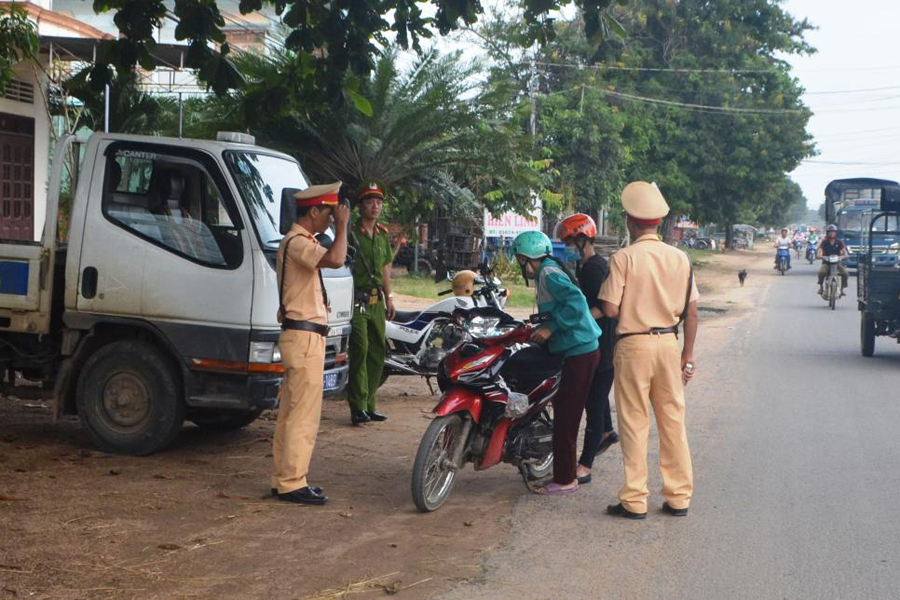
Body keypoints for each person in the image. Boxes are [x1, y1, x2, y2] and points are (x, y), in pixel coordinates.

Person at [599, 181, 699, 519]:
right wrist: (688, 354)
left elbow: (610, 310)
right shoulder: (680, 258)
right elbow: (692, 311)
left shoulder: (623, 258)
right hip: (670, 344)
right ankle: (678, 497)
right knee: (672, 420)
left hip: (634, 344)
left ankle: (635, 500)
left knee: (634, 421)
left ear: (630, 220)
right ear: (658, 221)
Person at [272, 182, 350, 505]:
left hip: (301, 336)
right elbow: (337, 259)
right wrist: (345, 227)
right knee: (303, 414)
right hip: (304, 338)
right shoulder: (299, 243)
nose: (332, 220)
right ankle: (292, 481)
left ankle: (283, 478)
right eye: (329, 214)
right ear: (313, 211)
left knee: (291, 412)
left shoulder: (296, 242)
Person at [511, 230, 600, 495]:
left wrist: (552, 328)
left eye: (519, 259)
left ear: (528, 258)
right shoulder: (546, 271)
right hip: (573, 348)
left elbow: (576, 302)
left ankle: (565, 478)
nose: (519, 264)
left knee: (567, 416)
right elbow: (560, 306)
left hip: (580, 350)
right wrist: (541, 326)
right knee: (561, 407)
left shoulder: (548, 273)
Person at [556, 213, 619, 485]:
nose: (569, 245)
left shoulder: (594, 268)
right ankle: (606, 431)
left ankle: (585, 465)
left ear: (584, 239)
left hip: (603, 344)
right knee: (597, 394)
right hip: (599, 340)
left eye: (571, 240)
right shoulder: (587, 265)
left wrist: (576, 322)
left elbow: (604, 308)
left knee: (593, 403)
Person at [347, 182, 395, 426]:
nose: (375, 206)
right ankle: (357, 406)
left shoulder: (383, 235)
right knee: (361, 349)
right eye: (370, 201)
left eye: (379, 202)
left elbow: (386, 268)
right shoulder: (351, 234)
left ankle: (370, 405)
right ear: (360, 206)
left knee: (378, 352)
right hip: (357, 300)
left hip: (377, 302)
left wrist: (390, 297)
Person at [816, 224, 849, 296]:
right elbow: (820, 250)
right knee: (821, 272)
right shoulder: (824, 242)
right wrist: (820, 256)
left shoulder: (839, 242)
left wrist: (844, 256)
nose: (832, 233)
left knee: (845, 273)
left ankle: (842, 289)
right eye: (830, 232)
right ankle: (821, 287)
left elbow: (844, 251)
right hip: (826, 262)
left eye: (833, 232)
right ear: (827, 233)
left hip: (837, 262)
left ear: (836, 233)